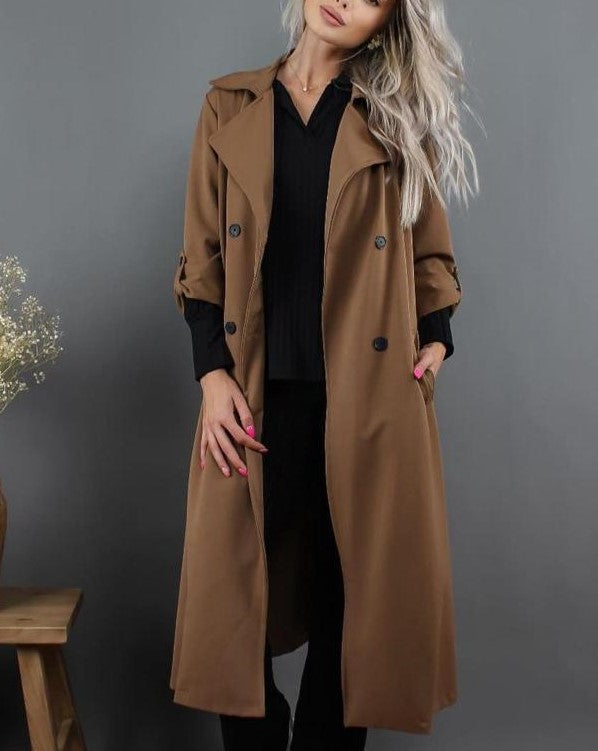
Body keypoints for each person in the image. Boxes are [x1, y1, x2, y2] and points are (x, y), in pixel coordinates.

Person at [170, 2, 478, 749]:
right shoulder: (229, 106)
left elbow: (430, 254)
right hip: (252, 399)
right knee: (234, 600)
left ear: (388, 21)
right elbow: (200, 262)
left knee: (354, 603)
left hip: (367, 400)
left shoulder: (396, 121)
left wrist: (436, 338)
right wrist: (212, 375)